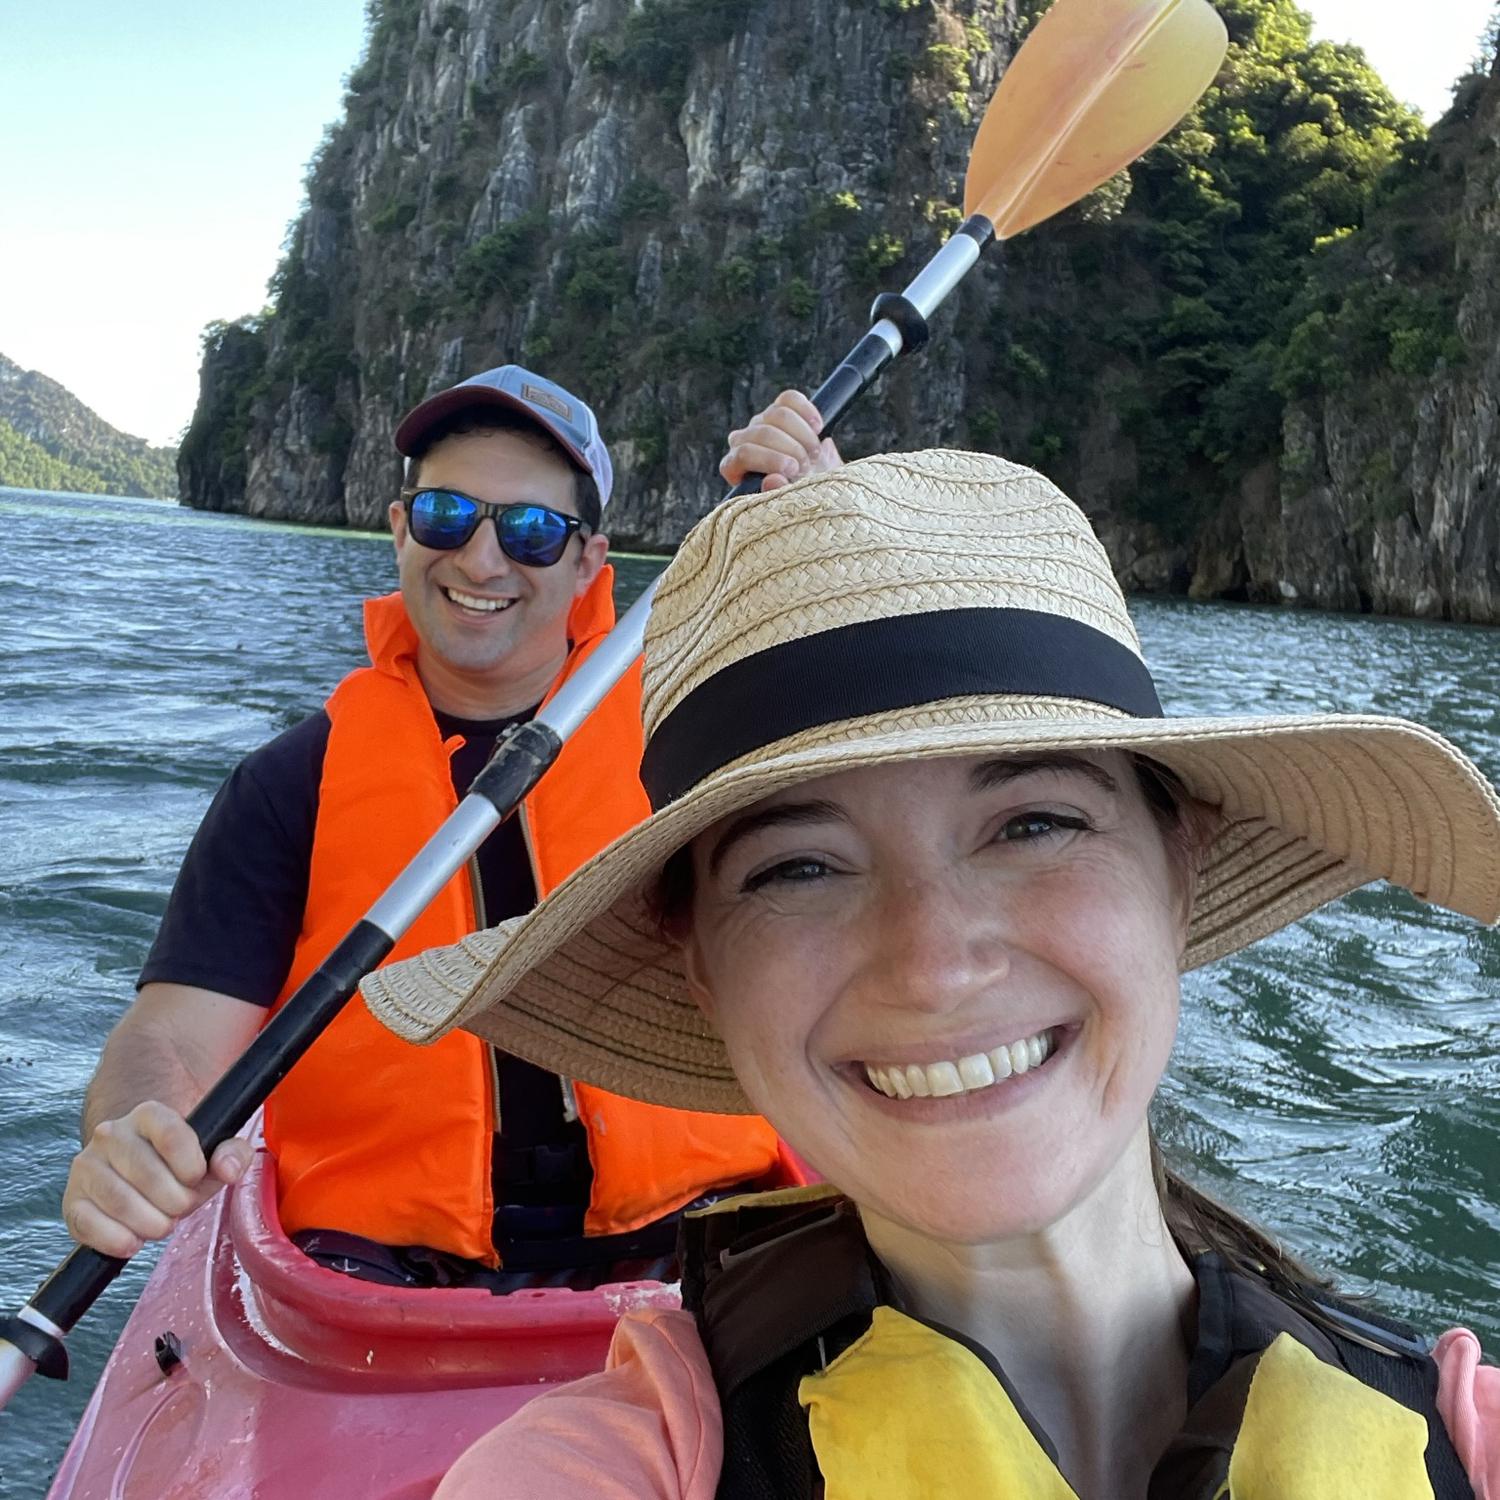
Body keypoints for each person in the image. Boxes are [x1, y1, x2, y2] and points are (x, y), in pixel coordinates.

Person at [361, 449, 1500, 1494]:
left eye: (1034, 824)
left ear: (1178, 865)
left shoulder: (1468, 1441)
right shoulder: (602, 1471)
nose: (936, 964)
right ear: (698, 960)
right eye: (800, 867)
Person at [61, 366, 812, 1289]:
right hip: (370, 1283)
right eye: (447, 516)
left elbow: (895, 794)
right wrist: (132, 1132)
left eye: (534, 532)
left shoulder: (698, 733)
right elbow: (173, 1038)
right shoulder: (289, 783)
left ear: (589, 563)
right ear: (399, 530)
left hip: (703, 1245)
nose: (483, 561)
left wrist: (826, 522)